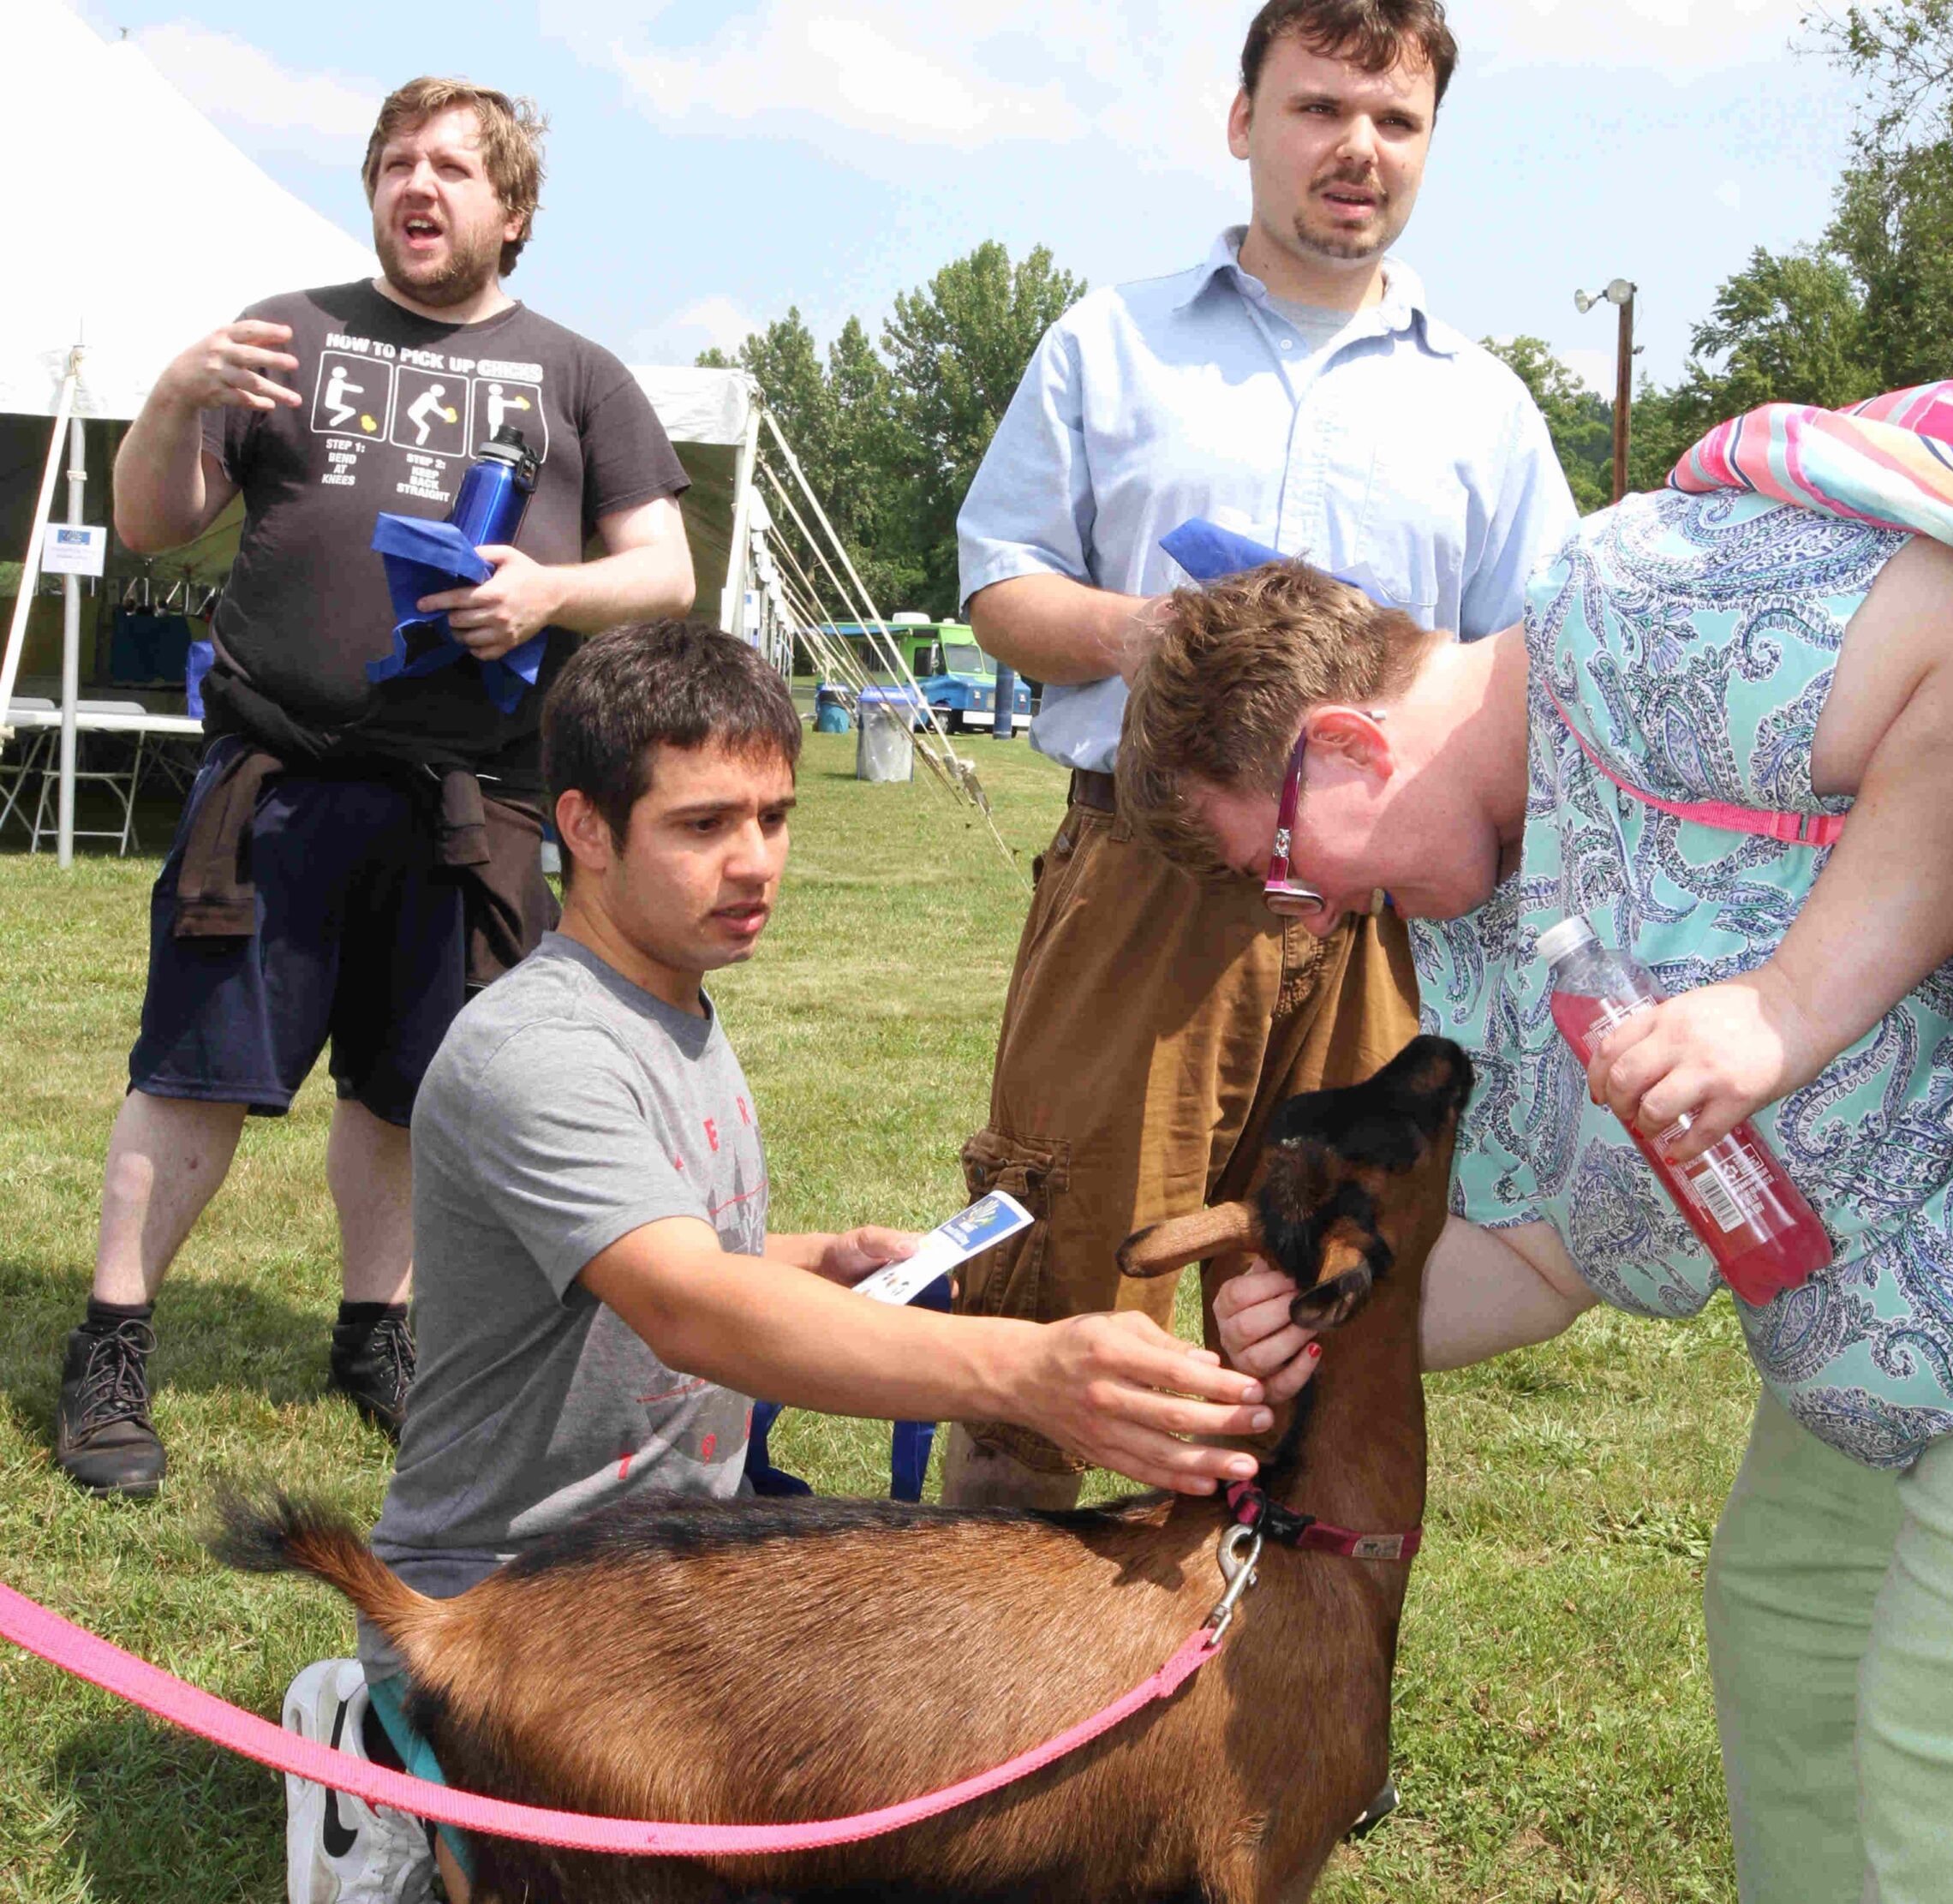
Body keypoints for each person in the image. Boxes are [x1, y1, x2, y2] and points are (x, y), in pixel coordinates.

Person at [1114, 481, 1953, 1900]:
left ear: (1347, 747)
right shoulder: (1483, 928)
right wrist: (1332, 1317)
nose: (1309, 915)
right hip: (1891, 1369)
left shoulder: (1635, 603)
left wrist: (1786, 1007)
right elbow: (1551, 1248)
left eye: (1278, 865)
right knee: (1787, 1646)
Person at [285, 619, 1279, 1904]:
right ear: (584, 828)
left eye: (774, 816)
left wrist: (819, 1260)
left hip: (676, 1582)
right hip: (506, 1611)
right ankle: (391, 1758)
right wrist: (1027, 1373)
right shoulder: (537, 1050)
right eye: (703, 827)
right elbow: (689, 1304)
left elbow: (690, 1249)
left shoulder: (671, 1001)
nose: (755, 863)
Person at [946, 0, 1577, 1511]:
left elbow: (1539, 661)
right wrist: (1135, 635)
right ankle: (984, 1677)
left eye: (1396, 120)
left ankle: (1251, 1718)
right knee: (1059, 1268)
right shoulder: (1113, 341)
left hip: (1372, 916)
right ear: (1244, 124)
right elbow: (993, 581)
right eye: (1316, 109)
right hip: (1148, 874)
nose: (1356, 149)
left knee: (1318, 1297)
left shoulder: (1480, 408)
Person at [55, 78, 697, 1496]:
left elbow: (666, 572)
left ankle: (375, 1335)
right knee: (193, 1070)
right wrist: (168, 397)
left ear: (511, 211)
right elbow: (151, 517)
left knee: (417, 1088)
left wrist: (550, 594)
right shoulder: (287, 332)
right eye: (399, 162)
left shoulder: (581, 375)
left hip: (477, 798)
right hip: (276, 778)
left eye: (457, 168)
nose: (421, 184)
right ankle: (110, 1347)